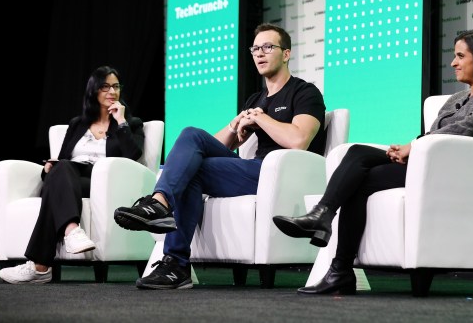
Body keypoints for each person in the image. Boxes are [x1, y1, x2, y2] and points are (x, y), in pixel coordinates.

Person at [272, 29, 473, 295]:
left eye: (460, 56)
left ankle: (330, 243)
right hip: (427, 163)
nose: (453, 63)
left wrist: (416, 146)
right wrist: (409, 147)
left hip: (452, 172)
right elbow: (431, 134)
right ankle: (332, 247)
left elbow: (472, 127)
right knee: (356, 155)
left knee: (359, 179)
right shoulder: (456, 99)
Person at [113, 22, 327, 290]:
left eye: (268, 47)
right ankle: (173, 257)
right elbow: (202, 148)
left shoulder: (305, 92)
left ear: (286, 53)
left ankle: (163, 220)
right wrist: (235, 124)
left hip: (279, 176)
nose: (260, 53)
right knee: (191, 146)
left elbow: (299, 140)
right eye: (255, 48)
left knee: (191, 168)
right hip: (251, 170)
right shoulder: (254, 100)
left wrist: (262, 119)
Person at [0, 66, 145, 284]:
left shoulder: (131, 124)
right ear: (93, 90)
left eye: (115, 86)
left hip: (103, 183)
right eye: (105, 86)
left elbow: (133, 156)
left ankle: (39, 266)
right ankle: (72, 232)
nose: (112, 92)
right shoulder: (78, 124)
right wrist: (47, 169)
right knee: (62, 168)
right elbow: (62, 158)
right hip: (72, 177)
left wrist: (121, 121)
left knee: (58, 182)